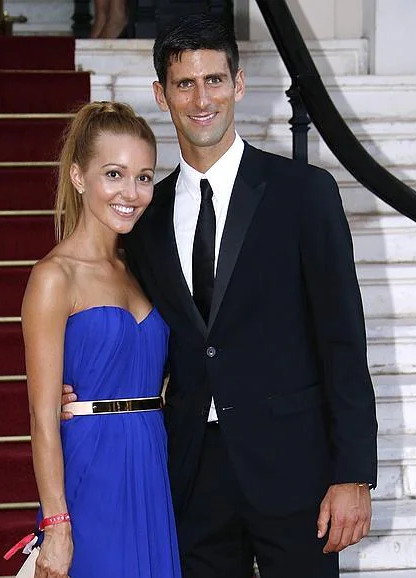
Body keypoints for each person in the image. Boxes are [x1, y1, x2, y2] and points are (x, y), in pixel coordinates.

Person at [63, 15, 378, 578]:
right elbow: (122, 312)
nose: (200, 98)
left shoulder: (303, 193)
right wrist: (87, 384)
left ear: (239, 83)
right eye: (184, 83)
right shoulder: (144, 215)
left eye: (213, 79)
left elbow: (343, 338)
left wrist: (352, 473)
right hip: (191, 472)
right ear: (162, 94)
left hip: (295, 472)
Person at [20, 101, 181, 578]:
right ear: (78, 177)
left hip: (151, 463)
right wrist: (57, 525)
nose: (131, 192)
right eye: (114, 174)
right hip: (92, 468)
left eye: (144, 177)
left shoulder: (143, 268)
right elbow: (42, 416)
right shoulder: (54, 277)